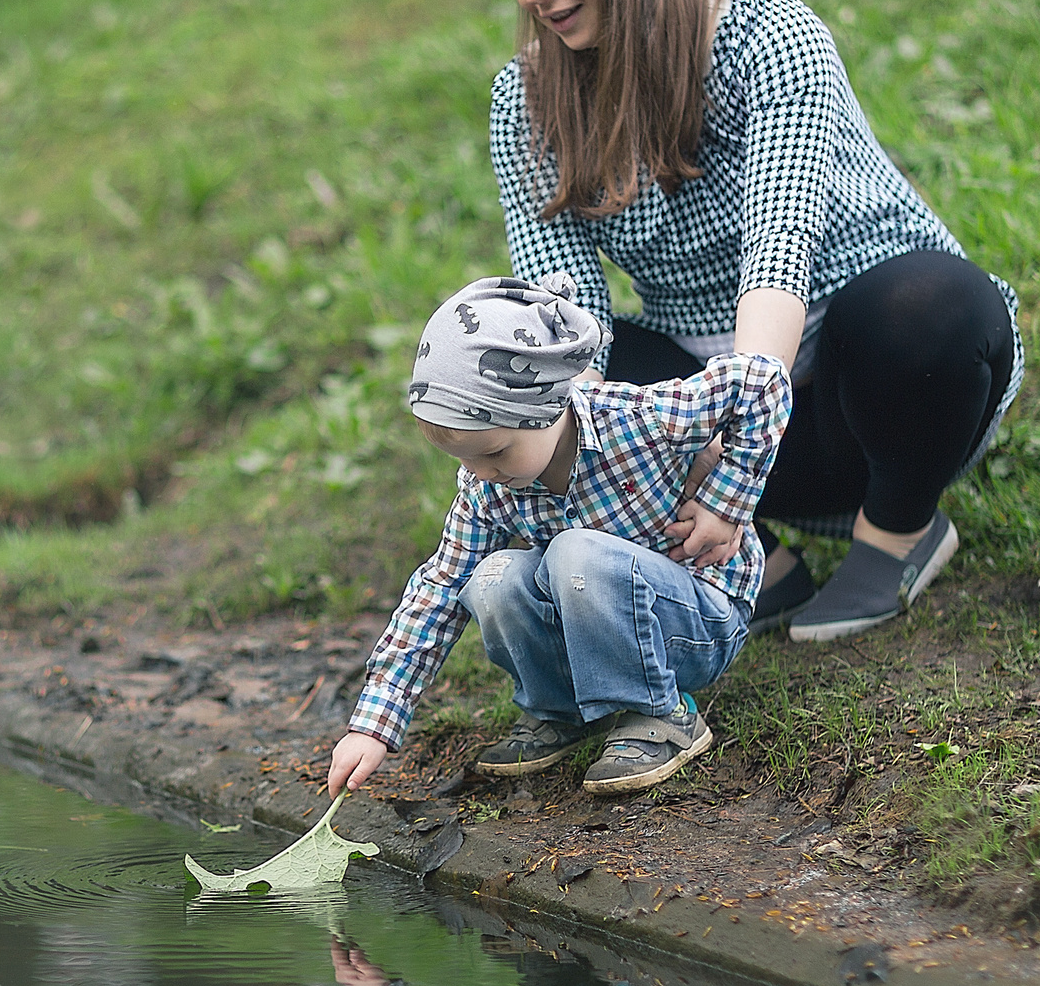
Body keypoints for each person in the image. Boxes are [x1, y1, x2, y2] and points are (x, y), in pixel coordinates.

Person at [482, 0, 1022, 641]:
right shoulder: (525, 100)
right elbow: (566, 307)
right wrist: (600, 446)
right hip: (716, 417)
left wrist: (738, 456)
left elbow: (779, 251)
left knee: (930, 303)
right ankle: (755, 563)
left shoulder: (769, 36)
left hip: (876, 389)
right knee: (556, 364)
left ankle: (896, 533)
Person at [322, 271, 790, 798]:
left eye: (494, 453)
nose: (480, 473)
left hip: (695, 619)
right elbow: (439, 589)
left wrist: (725, 505)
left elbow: (763, 382)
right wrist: (374, 723)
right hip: (592, 629)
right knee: (492, 577)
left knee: (574, 552)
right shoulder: (488, 488)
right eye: (465, 459)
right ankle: (560, 711)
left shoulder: (637, 420)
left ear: (544, 409)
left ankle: (661, 713)